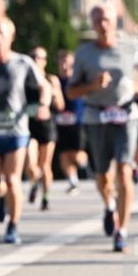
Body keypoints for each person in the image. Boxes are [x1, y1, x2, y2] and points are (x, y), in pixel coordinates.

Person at [67, 3, 138, 252]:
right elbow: (71, 91)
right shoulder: (84, 54)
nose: (102, 25)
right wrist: (92, 85)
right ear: (92, 25)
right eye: (97, 21)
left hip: (127, 114)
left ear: (114, 21)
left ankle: (122, 231)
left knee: (125, 172)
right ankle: (109, 206)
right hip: (96, 116)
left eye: (106, 19)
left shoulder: (131, 46)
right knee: (103, 177)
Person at [0, 17, 52, 245]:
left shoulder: (23, 63)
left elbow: (45, 85)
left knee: (14, 179)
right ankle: (1, 196)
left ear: (10, 37)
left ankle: (13, 226)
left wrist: (43, 105)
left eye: (1, 33)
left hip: (16, 130)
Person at [25, 46, 64, 211]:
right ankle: (35, 181)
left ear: (45, 61)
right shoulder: (24, 80)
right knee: (31, 164)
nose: (36, 60)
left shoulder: (51, 79)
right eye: (33, 57)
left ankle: (46, 197)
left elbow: (61, 106)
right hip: (29, 125)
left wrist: (54, 94)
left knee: (45, 165)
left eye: (39, 57)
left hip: (47, 126)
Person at [56, 50, 86, 195]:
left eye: (68, 62)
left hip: (77, 122)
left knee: (77, 156)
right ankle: (73, 181)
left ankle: (86, 166)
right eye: (62, 61)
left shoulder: (78, 82)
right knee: (64, 155)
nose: (65, 65)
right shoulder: (56, 82)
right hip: (61, 123)